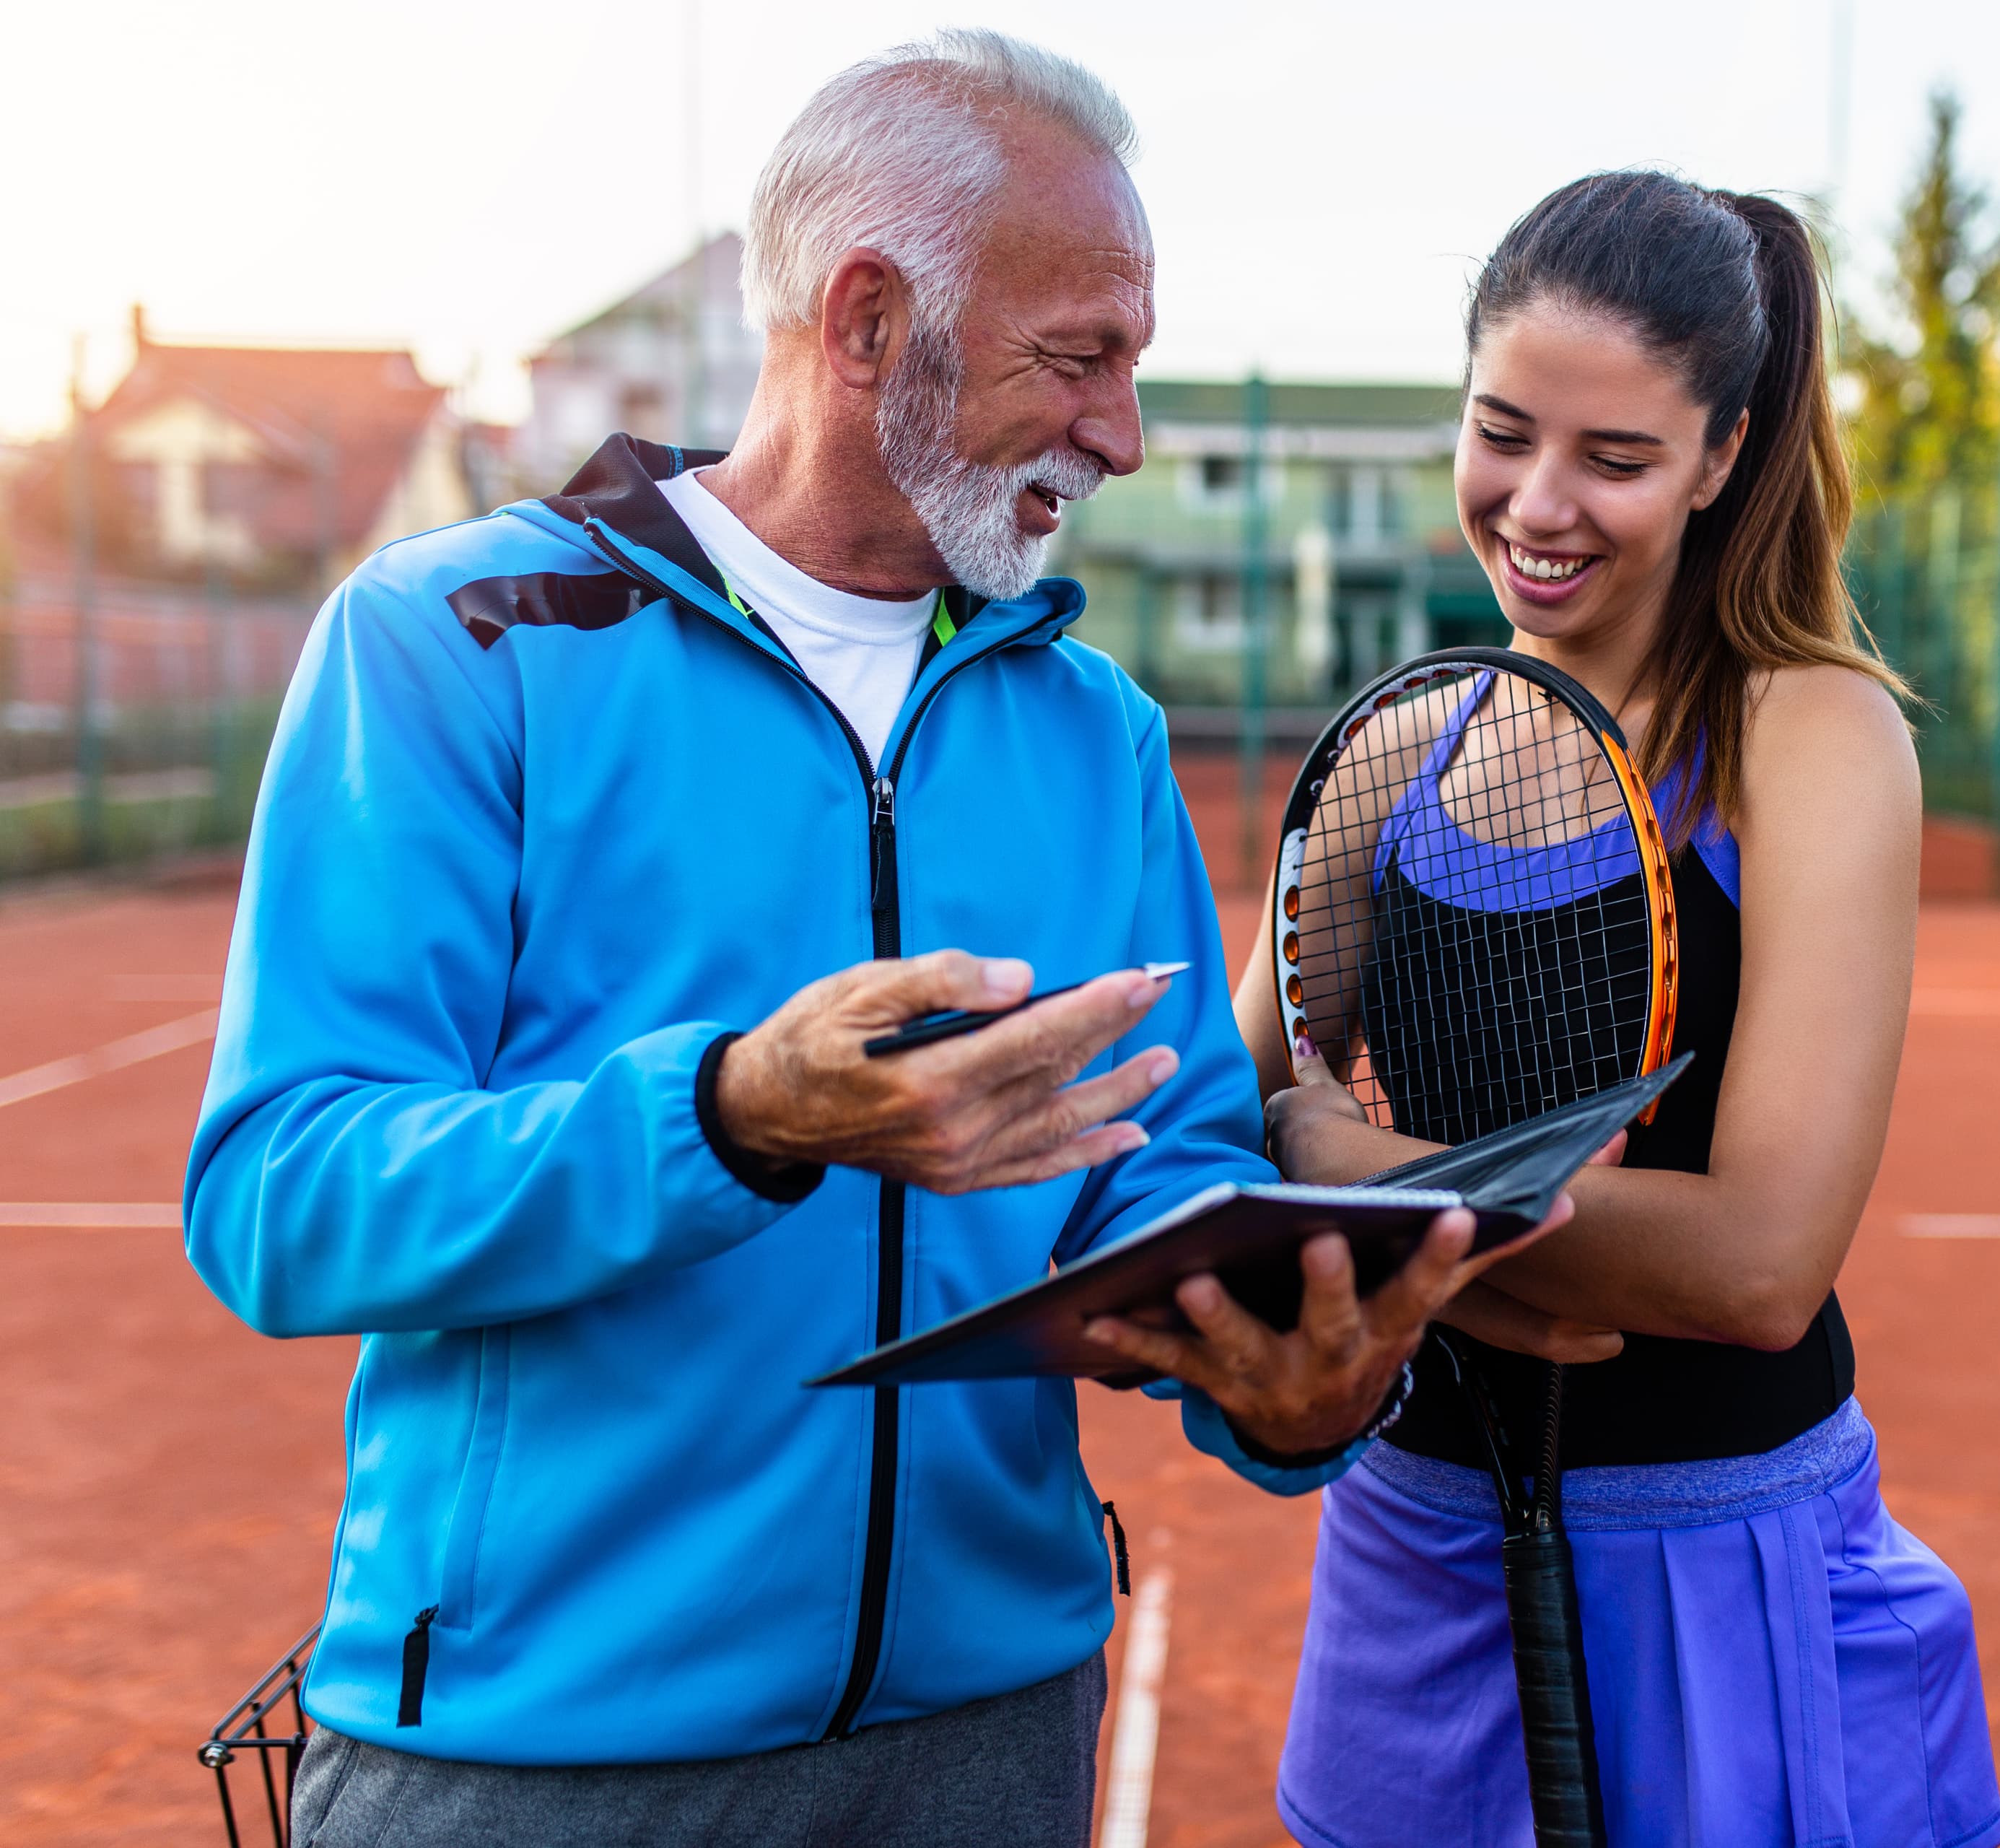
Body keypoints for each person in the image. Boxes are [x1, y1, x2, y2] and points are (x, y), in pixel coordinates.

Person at [183, 34, 1553, 1847]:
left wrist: (1292, 1378)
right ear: (864, 319)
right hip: (537, 1762)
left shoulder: (1097, 729)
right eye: (1079, 360)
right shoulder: (455, 640)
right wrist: (739, 1113)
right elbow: (282, 1193)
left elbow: (1164, 1162)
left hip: (988, 1740)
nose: (1123, 437)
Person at [1234, 173, 2000, 1847]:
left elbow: (1755, 1260)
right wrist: (1382, 1190)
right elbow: (1224, 1132)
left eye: (1617, 456)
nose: (1538, 502)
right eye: (1503, 431)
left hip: (1718, 1557)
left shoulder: (1811, 732)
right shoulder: (1395, 750)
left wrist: (1377, 1173)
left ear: (1725, 456)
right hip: (1417, 1540)